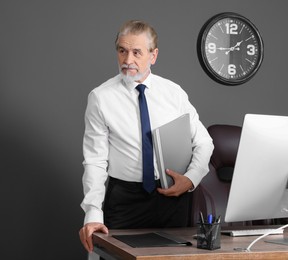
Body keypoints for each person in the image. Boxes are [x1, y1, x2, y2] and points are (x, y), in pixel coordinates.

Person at [78, 20, 214, 253]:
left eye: (136, 52)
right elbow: (95, 160)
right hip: (125, 201)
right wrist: (92, 213)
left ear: (153, 56)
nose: (128, 60)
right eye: (122, 51)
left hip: (173, 198)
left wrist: (191, 179)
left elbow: (204, 142)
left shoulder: (173, 93)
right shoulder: (101, 98)